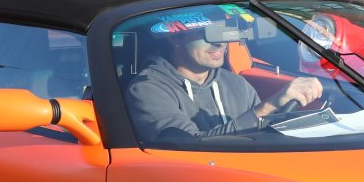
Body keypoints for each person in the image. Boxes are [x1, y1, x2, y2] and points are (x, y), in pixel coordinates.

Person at [127, 24, 322, 140]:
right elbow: (194, 149)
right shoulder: (147, 90)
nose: (219, 42)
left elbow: (261, 137)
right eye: (206, 33)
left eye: (223, 32)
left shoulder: (236, 83)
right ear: (175, 38)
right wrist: (269, 105)